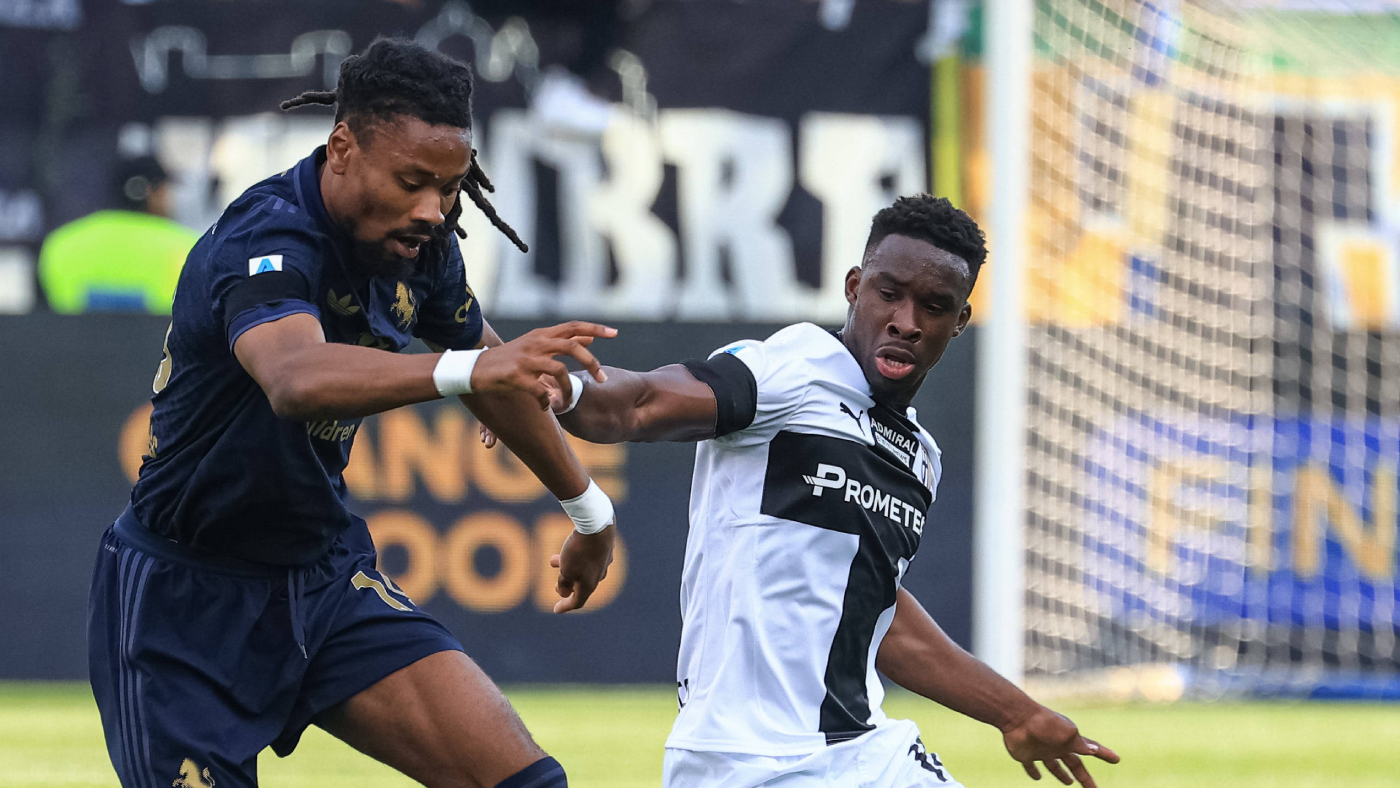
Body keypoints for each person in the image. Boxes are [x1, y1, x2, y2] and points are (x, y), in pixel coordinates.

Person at [88, 38, 618, 788]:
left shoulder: (423, 246)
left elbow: (499, 378)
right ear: (342, 147)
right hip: (186, 600)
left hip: (324, 581)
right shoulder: (266, 234)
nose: (432, 210)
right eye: (412, 182)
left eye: (450, 187)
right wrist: (468, 369)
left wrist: (590, 513)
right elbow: (294, 378)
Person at [550, 195, 1121, 788]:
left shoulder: (919, 459)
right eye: (889, 293)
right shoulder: (789, 372)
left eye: (934, 306)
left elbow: (875, 613)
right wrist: (565, 390)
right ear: (854, 288)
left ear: (959, 321)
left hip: (865, 751)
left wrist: (1016, 713)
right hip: (745, 762)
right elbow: (637, 403)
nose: (906, 322)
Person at [38, 155, 200, 313]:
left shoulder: (61, 243)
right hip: (162, 332)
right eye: (166, 191)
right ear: (152, 194)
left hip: (75, 332)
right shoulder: (190, 248)